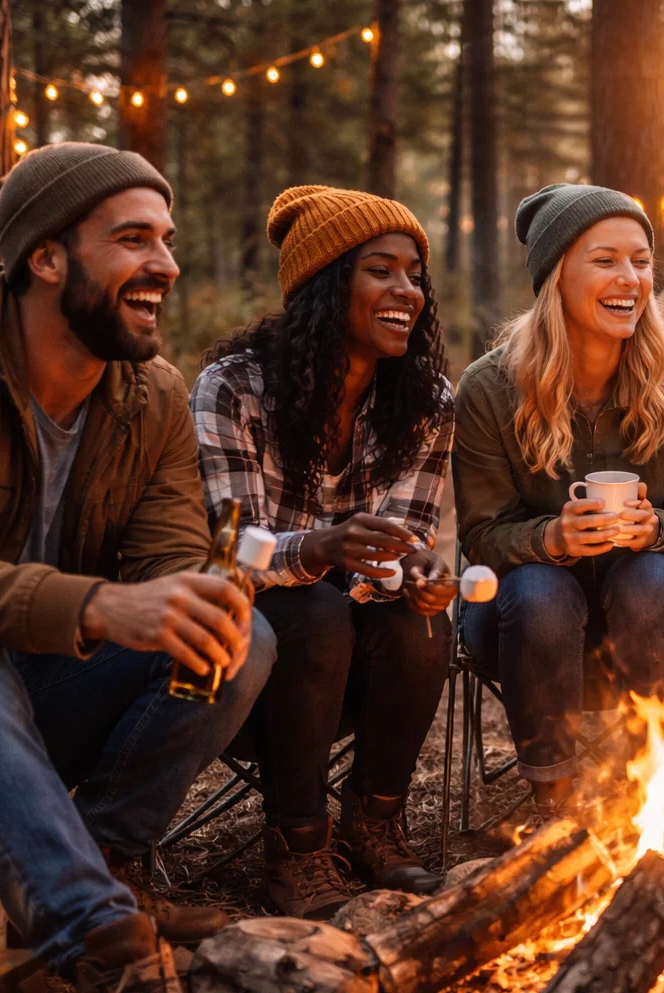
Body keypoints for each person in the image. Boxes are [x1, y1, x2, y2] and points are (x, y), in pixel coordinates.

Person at [0, 143, 278, 993]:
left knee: (239, 642)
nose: (164, 264)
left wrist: (200, 597)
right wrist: (96, 605)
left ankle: (102, 861)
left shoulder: (151, 396)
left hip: (34, 692)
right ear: (46, 257)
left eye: (165, 240)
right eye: (133, 239)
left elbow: (169, 564)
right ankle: (104, 949)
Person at [192, 187, 454, 916]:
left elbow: (401, 543)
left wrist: (418, 572)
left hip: (354, 672)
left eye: (414, 275)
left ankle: (373, 826)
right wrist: (318, 548)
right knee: (311, 611)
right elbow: (223, 551)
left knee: (421, 621)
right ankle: (298, 851)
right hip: (249, 666)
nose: (408, 291)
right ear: (326, 283)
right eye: (382, 271)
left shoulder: (425, 402)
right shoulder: (233, 389)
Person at [453, 184, 664, 815]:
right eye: (605, 260)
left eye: (640, 260)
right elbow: (481, 535)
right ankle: (554, 798)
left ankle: (658, 787)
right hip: (522, 624)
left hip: (662, 614)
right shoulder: (491, 387)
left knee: (648, 573)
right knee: (538, 587)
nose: (630, 278)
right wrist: (548, 540)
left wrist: (654, 529)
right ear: (556, 276)